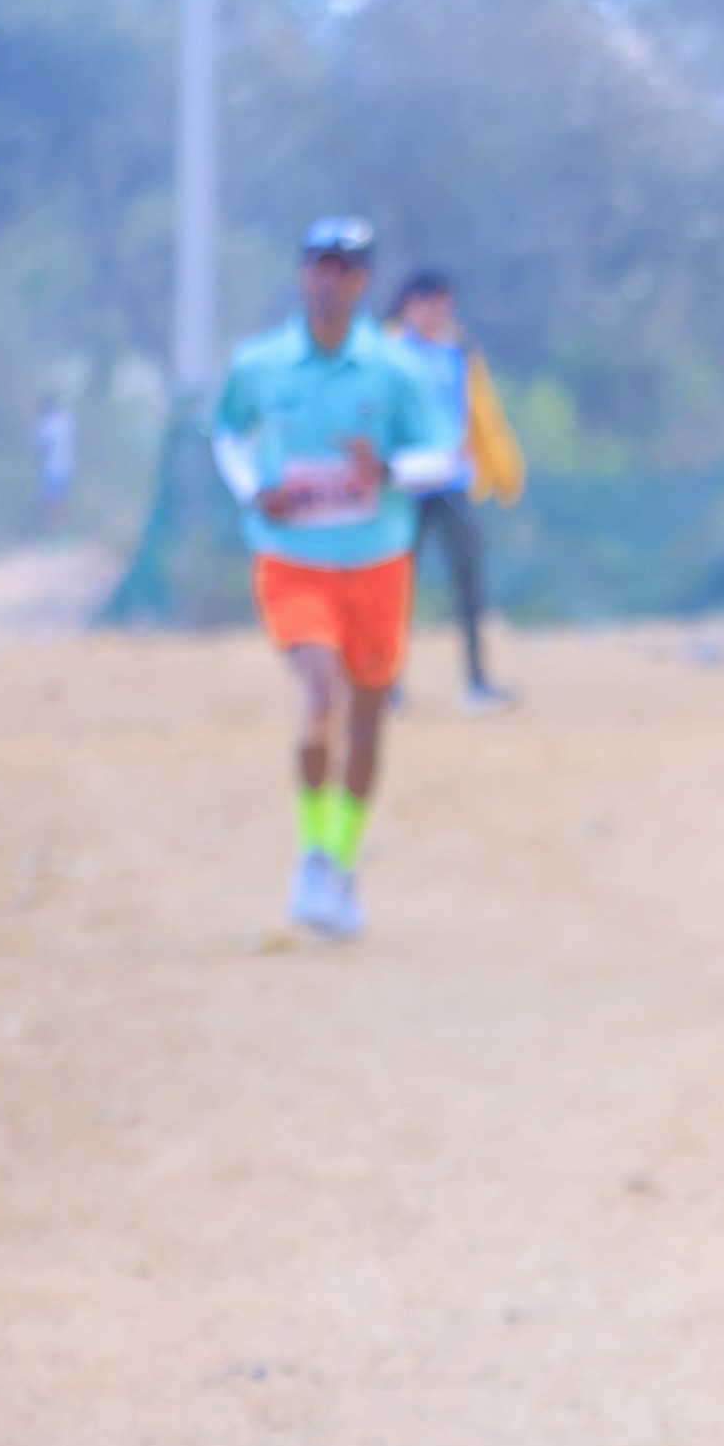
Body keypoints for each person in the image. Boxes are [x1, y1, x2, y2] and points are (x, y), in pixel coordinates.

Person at [214, 218, 451, 939]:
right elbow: (227, 433)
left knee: (368, 717)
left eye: (343, 268)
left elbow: (444, 454)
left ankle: (343, 859)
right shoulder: (259, 364)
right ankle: (311, 854)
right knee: (321, 700)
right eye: (318, 264)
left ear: (362, 282)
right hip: (292, 560)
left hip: (376, 564)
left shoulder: (394, 369)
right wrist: (253, 488)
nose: (328, 279)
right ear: (301, 273)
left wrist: (389, 468)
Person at [386, 268, 525, 712]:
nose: (434, 311)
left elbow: (480, 411)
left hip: (452, 480)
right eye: (425, 302)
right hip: (402, 485)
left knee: (469, 582)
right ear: (407, 305)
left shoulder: (459, 351)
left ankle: (477, 681)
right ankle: (386, 682)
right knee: (393, 585)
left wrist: (501, 467)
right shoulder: (386, 351)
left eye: (441, 302)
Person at [34, 392, 74, 535]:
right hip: (67, 465)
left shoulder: (48, 423)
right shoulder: (67, 418)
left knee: (52, 500)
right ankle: (63, 531)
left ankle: (55, 531)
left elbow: (38, 446)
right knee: (62, 499)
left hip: (52, 467)